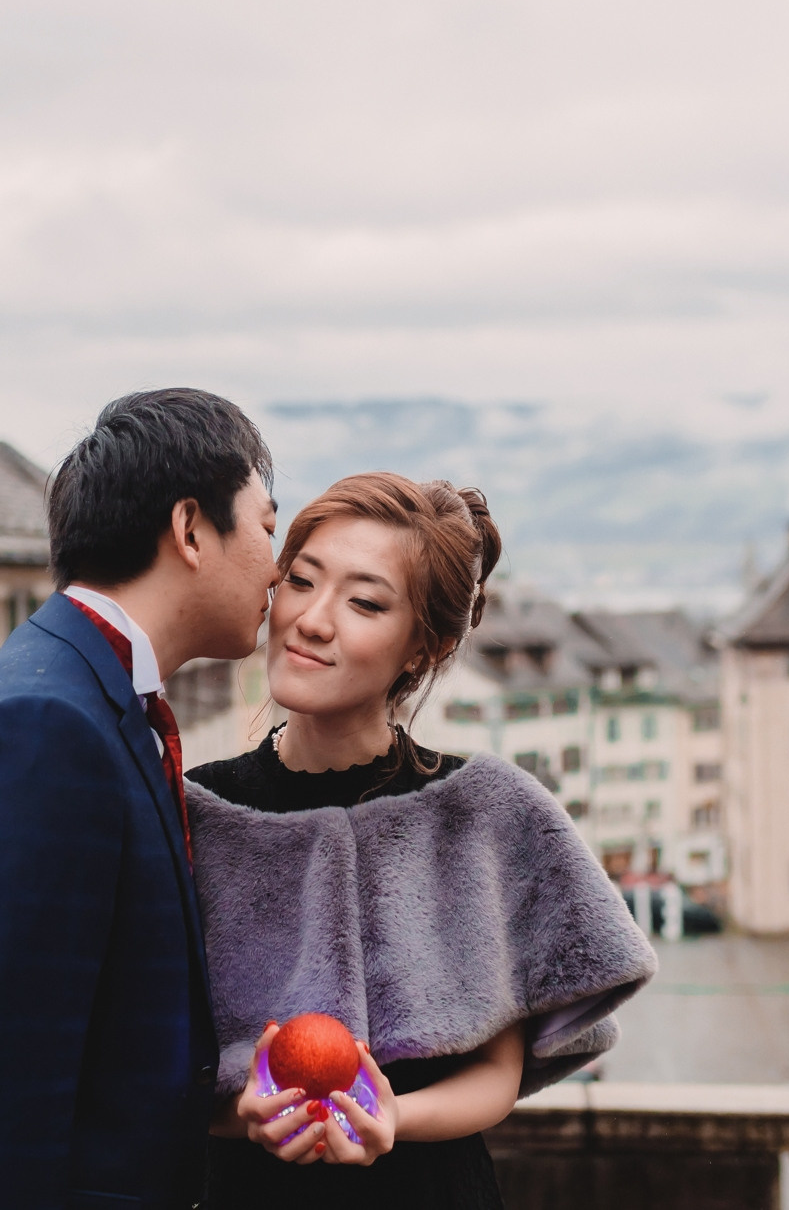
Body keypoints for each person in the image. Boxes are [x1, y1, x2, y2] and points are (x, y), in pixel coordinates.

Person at [0, 388, 280, 1210]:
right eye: (266, 523)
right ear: (190, 529)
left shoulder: (84, 692)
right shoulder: (43, 727)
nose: (276, 562)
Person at [186, 472, 656, 1210]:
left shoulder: (480, 813)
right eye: (300, 581)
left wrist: (391, 1117)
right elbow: (146, 1073)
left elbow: (497, 1073)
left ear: (423, 647)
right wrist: (241, 1116)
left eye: (364, 601)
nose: (312, 619)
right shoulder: (195, 811)